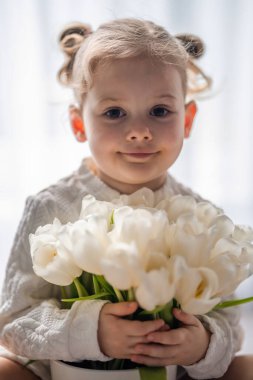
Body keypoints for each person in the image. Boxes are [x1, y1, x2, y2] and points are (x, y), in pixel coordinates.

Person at [0, 18, 252, 380]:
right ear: (78, 124)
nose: (139, 132)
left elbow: (228, 320)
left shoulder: (200, 218)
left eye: (160, 111)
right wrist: (92, 331)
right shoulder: (52, 206)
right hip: (63, 370)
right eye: (114, 113)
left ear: (188, 119)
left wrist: (203, 345)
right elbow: (13, 320)